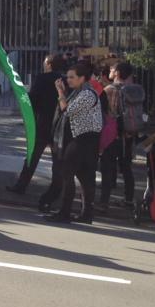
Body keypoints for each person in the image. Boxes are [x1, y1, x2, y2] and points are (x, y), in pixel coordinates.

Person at [44, 61, 103, 224]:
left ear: (82, 78)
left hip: (84, 139)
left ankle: (65, 212)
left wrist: (60, 92)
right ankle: (86, 214)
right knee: (84, 176)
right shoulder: (80, 92)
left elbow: (67, 110)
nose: (68, 80)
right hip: (84, 139)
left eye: (72, 77)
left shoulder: (86, 94)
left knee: (67, 174)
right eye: (68, 77)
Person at [7, 54, 66, 195]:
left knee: (32, 157)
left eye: (45, 62)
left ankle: (21, 186)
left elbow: (32, 100)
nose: (43, 65)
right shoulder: (65, 79)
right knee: (57, 160)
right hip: (59, 125)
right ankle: (56, 190)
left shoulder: (41, 78)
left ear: (49, 64)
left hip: (42, 123)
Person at [98, 61, 145, 211]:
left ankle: (104, 201)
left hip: (112, 135)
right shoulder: (135, 90)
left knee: (107, 168)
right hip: (129, 135)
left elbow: (103, 113)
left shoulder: (109, 90)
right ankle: (129, 199)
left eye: (112, 69)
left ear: (117, 73)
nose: (110, 70)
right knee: (126, 168)